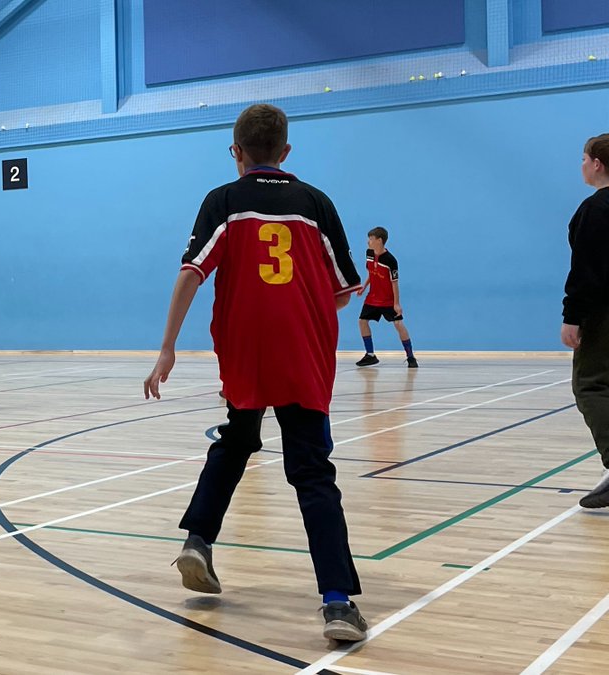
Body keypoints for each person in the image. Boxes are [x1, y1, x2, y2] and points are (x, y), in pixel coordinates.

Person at [143, 103, 368, 642]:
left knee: (237, 439)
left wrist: (168, 347)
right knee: (312, 471)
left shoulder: (223, 200)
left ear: (235, 153)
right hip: (302, 352)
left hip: (244, 349)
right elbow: (341, 292)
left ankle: (198, 538)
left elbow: (191, 274)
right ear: (286, 153)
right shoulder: (316, 203)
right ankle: (337, 603)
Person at [562, 133, 609, 509]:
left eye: (583, 158)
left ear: (597, 164)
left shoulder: (596, 209)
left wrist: (572, 316)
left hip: (602, 314)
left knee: (590, 386)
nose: (580, 165)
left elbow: (586, 270)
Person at [354, 227, 417, 368]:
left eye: (371, 239)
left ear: (379, 240)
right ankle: (370, 355)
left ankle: (411, 357)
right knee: (362, 321)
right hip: (373, 297)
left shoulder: (390, 260)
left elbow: (395, 284)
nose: (368, 241)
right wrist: (364, 287)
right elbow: (371, 272)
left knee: (398, 324)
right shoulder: (369, 253)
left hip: (388, 300)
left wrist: (396, 304)